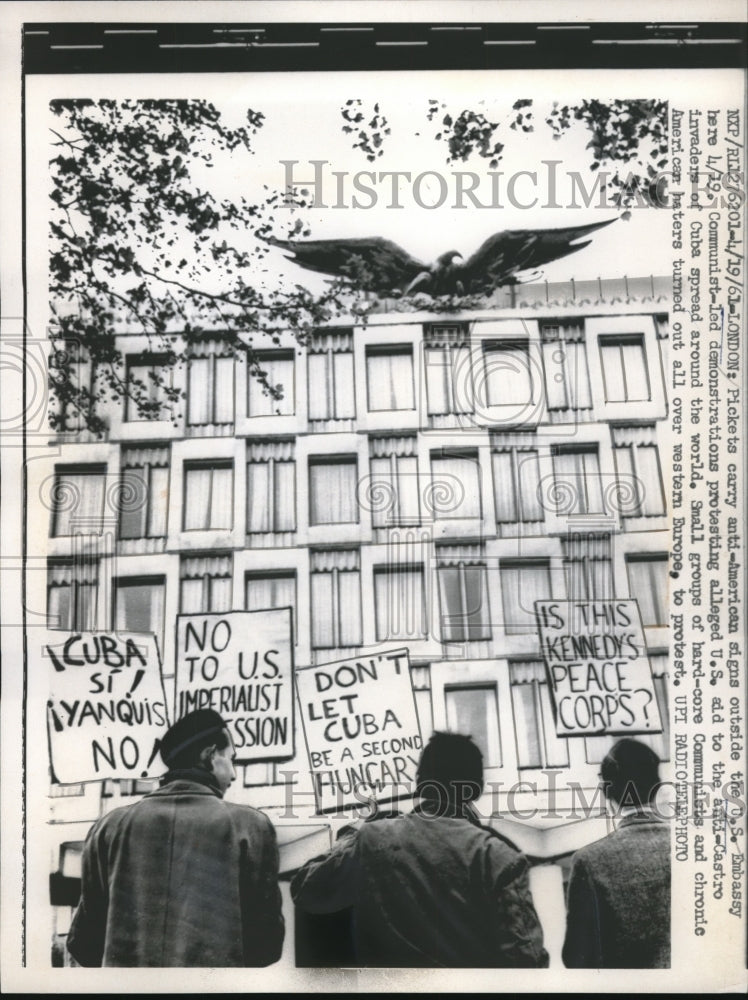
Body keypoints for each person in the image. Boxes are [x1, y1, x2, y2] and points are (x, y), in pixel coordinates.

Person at [291, 732, 549, 968]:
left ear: (420, 782)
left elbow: (305, 889)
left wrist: (352, 838)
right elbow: (528, 961)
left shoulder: (373, 839)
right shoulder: (500, 856)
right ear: (477, 787)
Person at [67, 709, 284, 967]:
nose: (234, 774)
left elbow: (83, 946)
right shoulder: (251, 827)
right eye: (231, 759)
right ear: (210, 755)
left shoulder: (108, 828)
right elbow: (267, 946)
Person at [562, 737, 670, 968]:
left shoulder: (588, 861)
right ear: (658, 787)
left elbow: (576, 957)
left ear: (607, 792)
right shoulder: (696, 851)